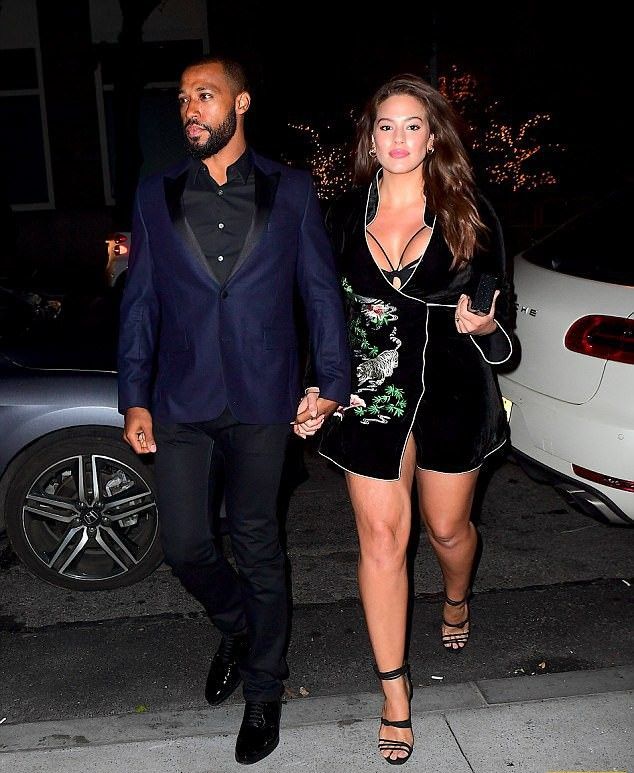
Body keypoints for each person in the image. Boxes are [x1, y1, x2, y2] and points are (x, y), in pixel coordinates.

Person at [117, 55, 350, 766]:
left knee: (257, 542)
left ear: (241, 103)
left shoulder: (292, 190)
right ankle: (241, 626)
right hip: (181, 397)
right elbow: (141, 303)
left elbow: (319, 292)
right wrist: (134, 397)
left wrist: (331, 380)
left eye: (205, 95)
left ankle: (264, 689)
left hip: (262, 397)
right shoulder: (155, 194)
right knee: (185, 545)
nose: (190, 108)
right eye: (183, 98)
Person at [294, 73, 513, 764]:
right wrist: (318, 386)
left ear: (433, 136)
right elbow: (323, 312)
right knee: (384, 540)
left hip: (454, 392)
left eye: (412, 125)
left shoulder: (470, 213)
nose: (397, 138)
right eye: (385, 125)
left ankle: (457, 595)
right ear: (370, 137)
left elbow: (503, 334)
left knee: (447, 531)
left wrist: (484, 329)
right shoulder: (340, 217)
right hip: (370, 395)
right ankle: (394, 692)